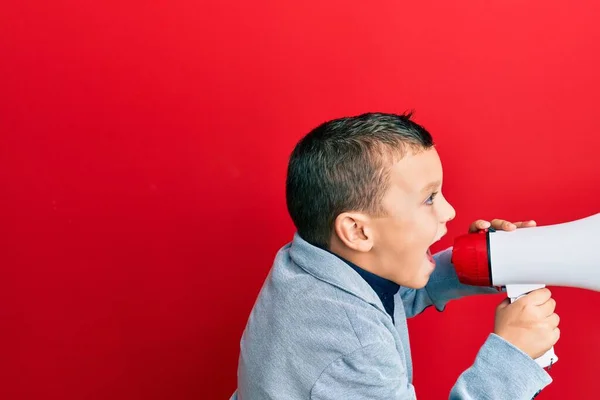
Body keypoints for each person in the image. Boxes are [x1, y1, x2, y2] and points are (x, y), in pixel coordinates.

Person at [230, 112, 560, 399]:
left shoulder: (311, 265)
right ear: (358, 231)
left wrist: (481, 264)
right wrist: (512, 359)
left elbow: (392, 295)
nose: (449, 211)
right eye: (429, 198)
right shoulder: (353, 349)